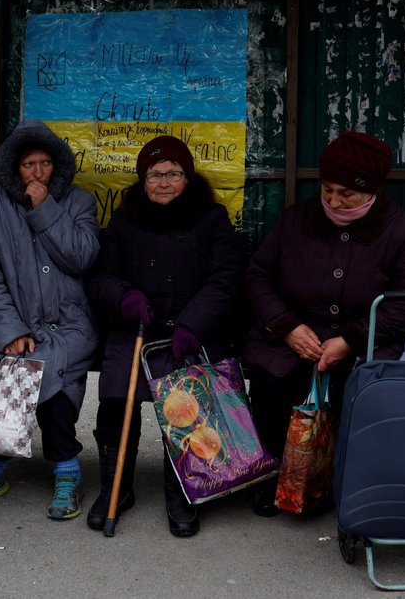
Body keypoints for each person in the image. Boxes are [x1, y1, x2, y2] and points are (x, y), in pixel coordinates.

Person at [244, 131, 405, 517]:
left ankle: (345, 481)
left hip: (367, 339)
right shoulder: (297, 218)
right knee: (271, 382)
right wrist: (286, 326)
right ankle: (278, 475)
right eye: (328, 189)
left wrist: (351, 339)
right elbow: (258, 275)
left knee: (362, 395)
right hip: (294, 333)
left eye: (347, 193)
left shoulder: (401, 228)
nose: (333, 200)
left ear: (371, 190)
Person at [86, 135, 246, 537]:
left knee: (185, 400)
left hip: (192, 331)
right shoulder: (124, 221)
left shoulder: (211, 219)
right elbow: (101, 276)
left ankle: (183, 490)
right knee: (116, 394)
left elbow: (226, 279)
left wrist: (194, 323)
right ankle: (116, 486)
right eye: (155, 174)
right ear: (143, 180)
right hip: (138, 330)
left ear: (187, 179)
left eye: (173, 173)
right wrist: (125, 296)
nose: (164, 181)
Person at [0, 118, 100, 520]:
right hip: (11, 328)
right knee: (6, 384)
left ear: (58, 165)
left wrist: (45, 209)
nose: (38, 173)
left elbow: (83, 257)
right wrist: (9, 330)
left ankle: (67, 471)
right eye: (28, 165)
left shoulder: (78, 202)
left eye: (45, 164)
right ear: (12, 168)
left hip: (68, 327)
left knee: (55, 389)